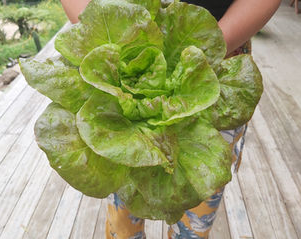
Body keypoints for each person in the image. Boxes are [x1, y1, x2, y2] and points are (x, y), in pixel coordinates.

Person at [60, 0, 281, 238]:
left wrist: (208, 47)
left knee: (194, 213)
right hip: (116, 62)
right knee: (122, 215)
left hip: (217, 56)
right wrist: (100, 29)